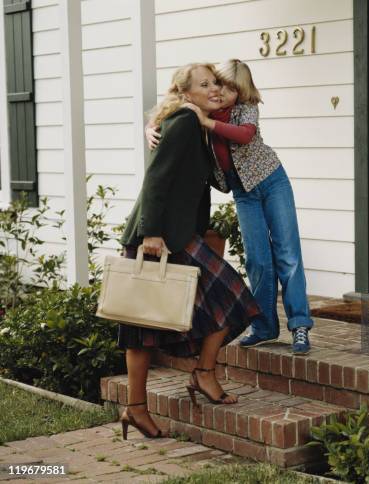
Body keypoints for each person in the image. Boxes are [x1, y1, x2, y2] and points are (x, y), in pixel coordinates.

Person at [118, 63, 261, 440]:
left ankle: (202, 372)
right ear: (185, 93)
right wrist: (150, 233)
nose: (214, 89)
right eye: (205, 84)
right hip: (158, 237)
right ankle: (137, 407)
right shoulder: (182, 122)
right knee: (142, 324)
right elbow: (157, 179)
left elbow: (215, 179)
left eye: (216, 83)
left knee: (230, 300)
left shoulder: (195, 125)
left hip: (179, 235)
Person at [147, 60, 313, 355]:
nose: (223, 92)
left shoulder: (244, 109)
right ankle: (264, 327)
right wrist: (149, 128)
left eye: (233, 88)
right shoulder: (201, 110)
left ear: (243, 91)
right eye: (220, 84)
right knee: (258, 260)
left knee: (287, 254)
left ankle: (300, 326)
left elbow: (245, 135)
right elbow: (169, 114)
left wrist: (206, 122)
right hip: (243, 192)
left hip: (272, 182)